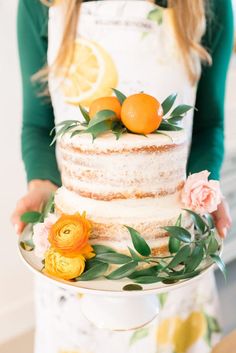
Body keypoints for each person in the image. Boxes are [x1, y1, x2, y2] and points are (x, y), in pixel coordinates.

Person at [12, 0, 233, 352]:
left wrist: (203, 189)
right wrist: (41, 183)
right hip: (76, 253)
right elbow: (37, 126)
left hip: (170, 250)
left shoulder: (210, 6)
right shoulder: (40, 5)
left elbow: (208, 125)